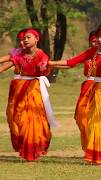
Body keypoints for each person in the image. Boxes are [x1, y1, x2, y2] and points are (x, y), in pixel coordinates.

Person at [49, 22, 101, 165]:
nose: (99, 40)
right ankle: (96, 155)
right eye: (98, 37)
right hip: (95, 90)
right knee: (94, 122)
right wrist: (51, 63)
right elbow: (71, 62)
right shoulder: (93, 51)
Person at [0, 28, 55, 161]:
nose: (24, 40)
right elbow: (6, 63)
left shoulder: (41, 54)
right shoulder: (20, 54)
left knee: (33, 119)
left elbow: (45, 65)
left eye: (27, 37)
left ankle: (32, 151)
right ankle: (26, 148)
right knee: (18, 119)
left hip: (34, 90)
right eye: (23, 38)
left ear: (36, 39)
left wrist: (43, 67)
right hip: (20, 90)